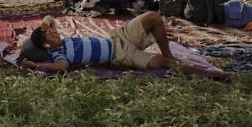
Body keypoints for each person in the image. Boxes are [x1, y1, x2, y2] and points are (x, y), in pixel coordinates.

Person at [18, 12, 216, 76]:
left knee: (153, 18)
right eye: (52, 37)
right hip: (120, 56)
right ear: (46, 47)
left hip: (118, 38)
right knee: (159, 62)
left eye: (54, 33)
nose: (56, 35)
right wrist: (35, 65)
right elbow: (61, 67)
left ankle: (170, 54)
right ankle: (213, 75)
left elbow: (49, 18)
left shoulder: (60, 40)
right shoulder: (58, 55)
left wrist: (45, 25)